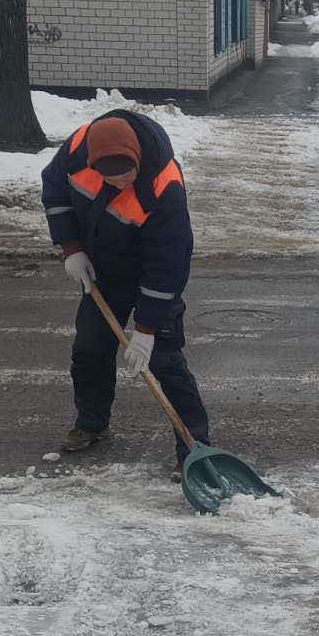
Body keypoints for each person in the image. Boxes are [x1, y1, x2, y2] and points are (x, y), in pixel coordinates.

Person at [41, 110, 210, 470]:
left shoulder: (164, 186)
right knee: (89, 349)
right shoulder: (79, 149)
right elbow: (54, 188)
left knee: (165, 361)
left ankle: (193, 446)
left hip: (153, 275)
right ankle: (92, 423)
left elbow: (168, 264)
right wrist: (72, 248)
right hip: (104, 271)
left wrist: (146, 330)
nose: (119, 184)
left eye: (126, 176)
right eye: (110, 178)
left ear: (137, 161)